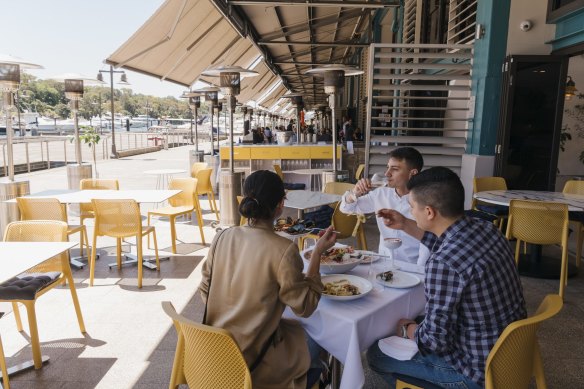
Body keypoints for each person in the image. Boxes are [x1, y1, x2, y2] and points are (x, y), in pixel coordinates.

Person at [367, 167, 526, 389]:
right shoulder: (487, 229)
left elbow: (435, 342)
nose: (411, 212)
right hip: (513, 354)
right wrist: (404, 223)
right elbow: (446, 243)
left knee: (376, 354)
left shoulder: (443, 263)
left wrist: (407, 329)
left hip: (476, 371)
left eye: (412, 207)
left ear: (429, 212)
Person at [199, 170, 336, 389]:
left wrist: (239, 312)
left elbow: (205, 288)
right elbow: (306, 306)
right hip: (254, 361)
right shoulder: (284, 249)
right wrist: (317, 253)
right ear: (281, 205)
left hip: (214, 352)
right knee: (321, 338)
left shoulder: (221, 237)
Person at [339, 147, 429, 264]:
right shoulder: (381, 193)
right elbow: (346, 208)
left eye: (395, 169)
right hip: (383, 263)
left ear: (412, 173)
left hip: (411, 266)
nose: (387, 173)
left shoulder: (426, 200)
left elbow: (429, 242)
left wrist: (419, 271)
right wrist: (354, 192)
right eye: (388, 167)